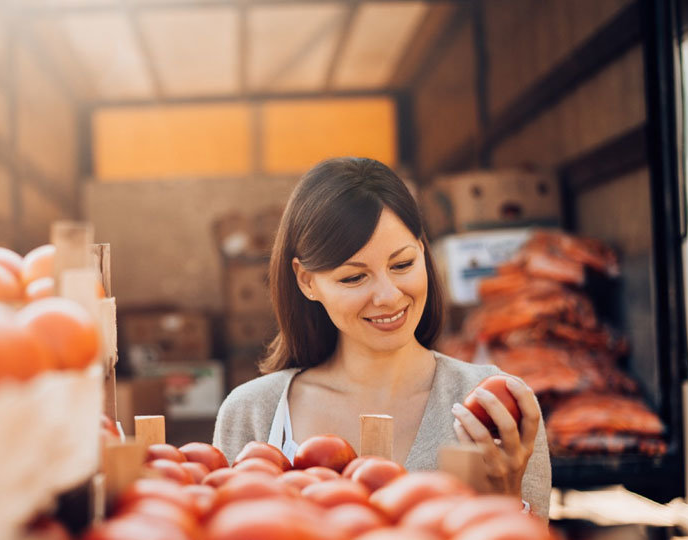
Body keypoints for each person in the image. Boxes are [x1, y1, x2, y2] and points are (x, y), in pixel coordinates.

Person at [212, 157, 550, 518]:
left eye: (402, 264)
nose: (388, 296)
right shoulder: (252, 412)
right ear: (307, 281)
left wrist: (508, 497)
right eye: (354, 278)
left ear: (422, 249)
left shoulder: (494, 406)